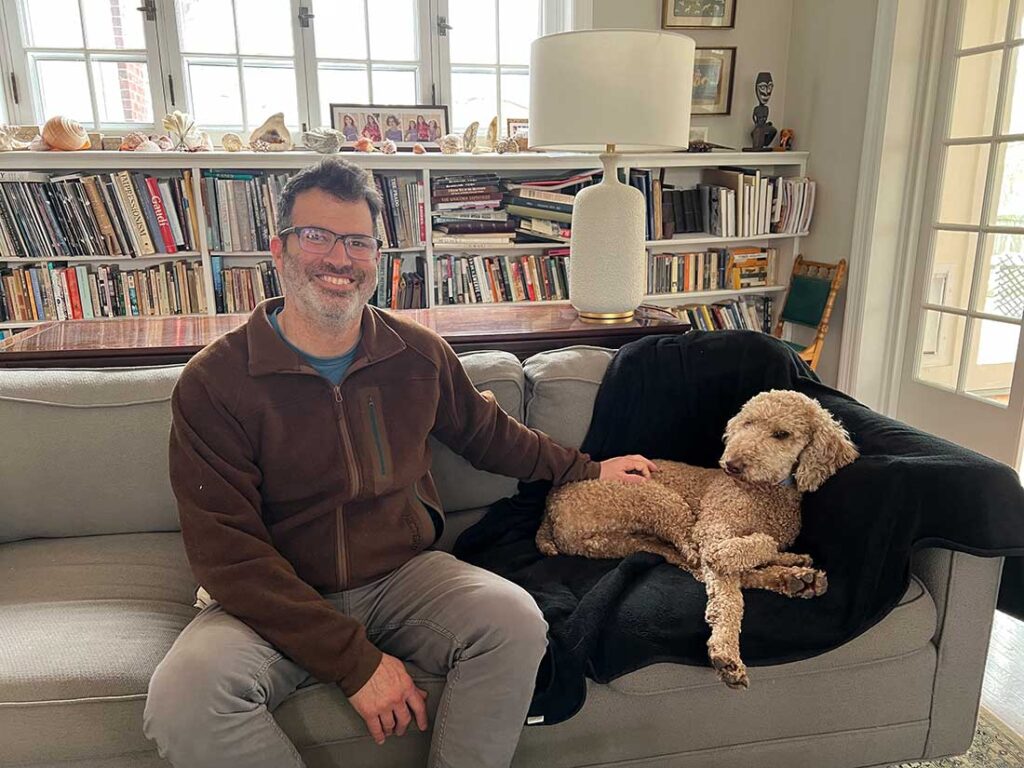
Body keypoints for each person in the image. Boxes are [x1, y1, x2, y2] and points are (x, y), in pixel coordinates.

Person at [142, 157, 656, 768]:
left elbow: (489, 436)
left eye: (358, 242)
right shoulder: (214, 382)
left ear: (377, 259)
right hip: (276, 593)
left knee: (516, 620)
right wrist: (356, 664)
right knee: (183, 697)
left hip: (403, 577)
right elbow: (227, 552)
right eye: (318, 236)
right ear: (277, 248)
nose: (340, 259)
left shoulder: (418, 355)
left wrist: (588, 469)